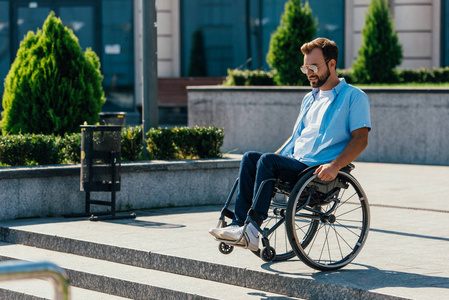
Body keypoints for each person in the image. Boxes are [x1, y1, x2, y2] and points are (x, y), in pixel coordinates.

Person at [209, 37, 371, 252]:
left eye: (314, 66)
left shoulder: (354, 97)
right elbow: (296, 137)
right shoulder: (309, 98)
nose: (309, 72)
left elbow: (361, 139)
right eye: (305, 67)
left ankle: (253, 229)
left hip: (316, 169)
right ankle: (239, 225)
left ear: (331, 64)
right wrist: (276, 157)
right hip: (295, 162)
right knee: (251, 158)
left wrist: (335, 166)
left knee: (266, 160)